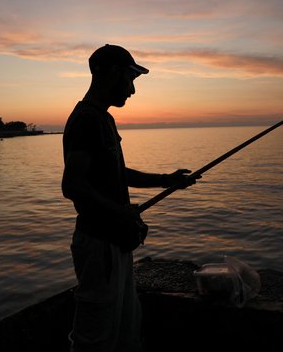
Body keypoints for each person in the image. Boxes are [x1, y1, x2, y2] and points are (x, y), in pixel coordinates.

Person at [62, 44, 197, 352]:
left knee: (126, 334)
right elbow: (73, 185)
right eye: (130, 78)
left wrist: (168, 181)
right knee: (94, 340)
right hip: (99, 247)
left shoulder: (103, 120)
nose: (133, 90)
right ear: (110, 73)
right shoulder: (86, 120)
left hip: (115, 244)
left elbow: (118, 173)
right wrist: (121, 212)